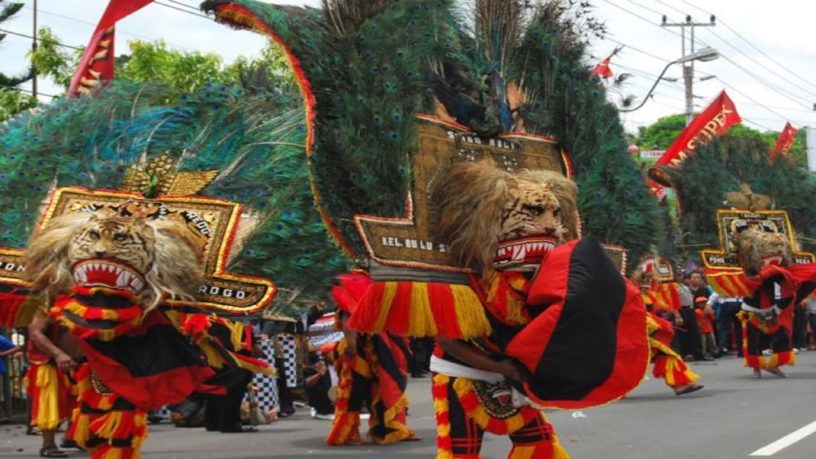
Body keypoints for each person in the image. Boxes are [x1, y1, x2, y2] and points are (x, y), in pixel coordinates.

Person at [326, 272, 419, 446]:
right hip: (367, 354)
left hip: (361, 355)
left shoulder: (351, 305)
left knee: (359, 392)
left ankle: (367, 431)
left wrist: (352, 348)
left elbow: (349, 330)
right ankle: (363, 431)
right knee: (367, 391)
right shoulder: (362, 305)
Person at [26, 313, 79, 459]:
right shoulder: (45, 303)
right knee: (49, 402)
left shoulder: (82, 300)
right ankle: (48, 444)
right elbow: (35, 333)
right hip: (49, 361)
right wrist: (58, 354)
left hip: (77, 361)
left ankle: (73, 437)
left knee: (80, 401)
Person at [303, 351, 334, 420]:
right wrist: (319, 375)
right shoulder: (317, 367)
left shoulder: (346, 366)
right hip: (324, 407)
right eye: (331, 353)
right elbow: (307, 383)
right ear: (326, 355)